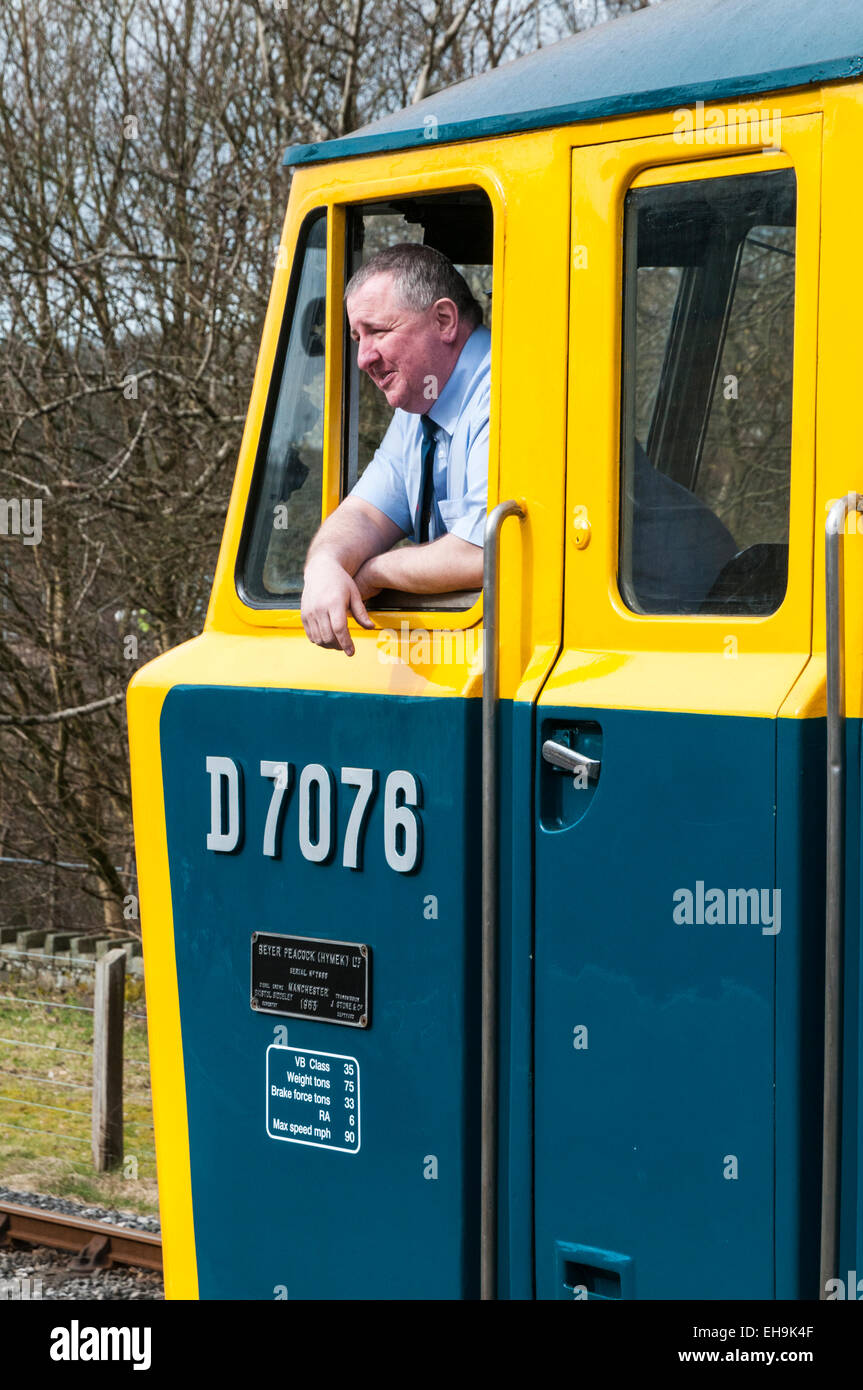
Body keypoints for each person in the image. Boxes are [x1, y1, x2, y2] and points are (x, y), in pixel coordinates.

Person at [301, 243, 490, 656]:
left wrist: (376, 572)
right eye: (357, 337)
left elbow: (485, 552)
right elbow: (366, 513)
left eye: (379, 331)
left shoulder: (508, 389)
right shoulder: (420, 404)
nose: (363, 357)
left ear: (443, 320)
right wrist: (325, 566)